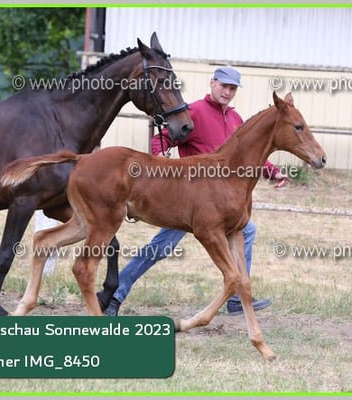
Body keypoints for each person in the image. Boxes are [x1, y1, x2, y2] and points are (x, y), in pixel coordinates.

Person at [101, 67, 289, 316]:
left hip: (223, 204)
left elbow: (249, 154)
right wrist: (161, 161)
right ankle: (115, 295)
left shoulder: (235, 118)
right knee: (161, 247)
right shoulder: (195, 112)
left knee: (247, 230)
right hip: (189, 201)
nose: (227, 92)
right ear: (212, 83)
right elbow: (162, 139)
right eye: (223, 86)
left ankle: (237, 298)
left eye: (232, 88)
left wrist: (273, 172)